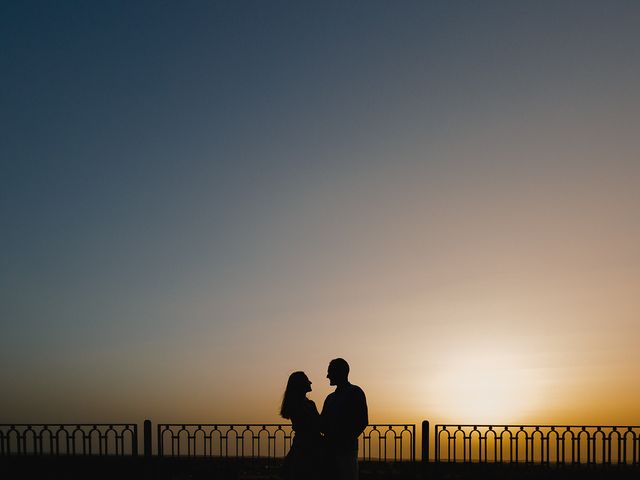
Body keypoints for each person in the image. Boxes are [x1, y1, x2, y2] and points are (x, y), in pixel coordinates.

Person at [320, 358, 368, 480]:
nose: (327, 376)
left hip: (346, 451)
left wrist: (345, 440)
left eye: (330, 372)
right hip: (330, 450)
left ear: (339, 373)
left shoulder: (355, 392)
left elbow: (362, 421)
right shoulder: (330, 398)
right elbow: (322, 422)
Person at [279, 371, 324, 479]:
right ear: (301, 384)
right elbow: (318, 425)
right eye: (307, 380)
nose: (310, 382)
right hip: (310, 447)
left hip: (302, 445)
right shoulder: (306, 405)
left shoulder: (297, 405)